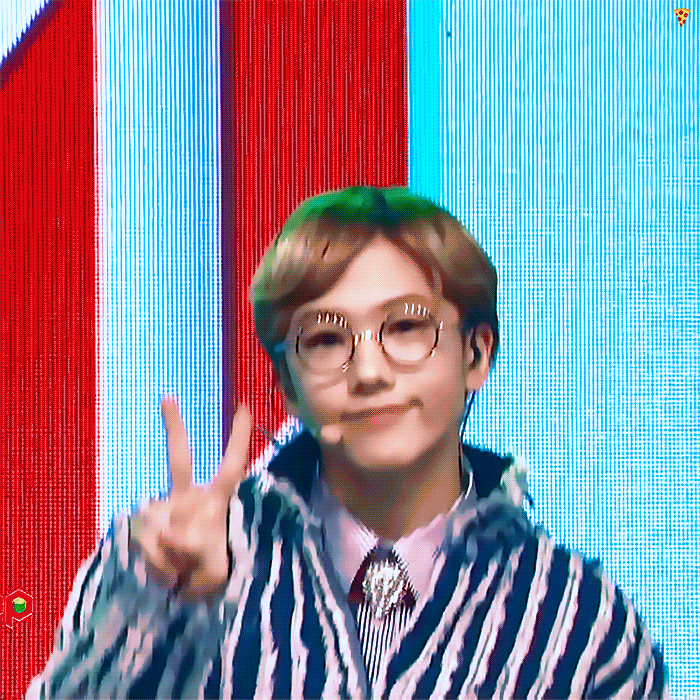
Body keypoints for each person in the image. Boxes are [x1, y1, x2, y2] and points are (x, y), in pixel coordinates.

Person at [27, 186, 668, 699]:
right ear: (287, 384)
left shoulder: (582, 621)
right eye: (327, 339)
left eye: (406, 327)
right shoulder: (167, 554)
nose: (368, 372)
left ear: (476, 354)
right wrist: (157, 610)